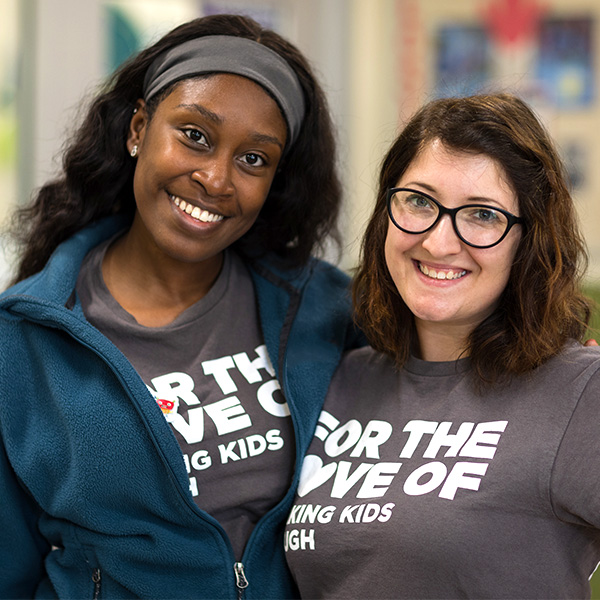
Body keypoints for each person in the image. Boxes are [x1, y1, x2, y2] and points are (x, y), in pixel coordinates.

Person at [0, 14, 360, 599]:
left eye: (253, 159)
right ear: (139, 128)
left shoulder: (324, 310)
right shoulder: (21, 340)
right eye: (194, 134)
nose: (216, 179)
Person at [284, 93, 600, 599]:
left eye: (482, 215)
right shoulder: (342, 379)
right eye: (419, 201)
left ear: (529, 240)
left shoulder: (579, 391)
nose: (438, 242)